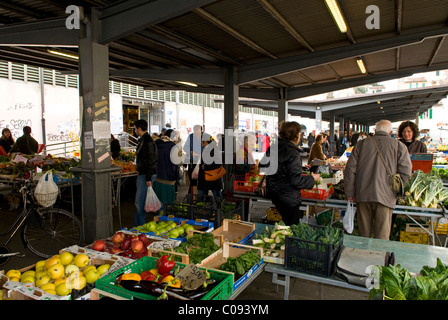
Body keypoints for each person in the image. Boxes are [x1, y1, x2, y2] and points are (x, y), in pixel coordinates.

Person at [344, 120, 412, 240]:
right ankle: (379, 257)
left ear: (375, 131)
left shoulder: (361, 144)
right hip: (386, 196)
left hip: (363, 194)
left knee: (363, 235)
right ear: (391, 132)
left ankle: (363, 255)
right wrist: (399, 193)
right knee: (382, 235)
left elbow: (350, 169)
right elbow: (406, 172)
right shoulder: (399, 146)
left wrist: (350, 192)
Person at [262, 121, 320, 225]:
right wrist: (312, 179)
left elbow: (262, 166)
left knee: (283, 226)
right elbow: (296, 181)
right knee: (291, 228)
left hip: (275, 194)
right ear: (296, 136)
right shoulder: (293, 153)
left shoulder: (273, 148)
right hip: (289, 197)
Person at [134, 119, 158, 226]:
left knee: (140, 202)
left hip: (146, 175)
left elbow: (151, 160)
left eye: (135, 128)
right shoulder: (143, 140)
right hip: (144, 174)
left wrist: (148, 178)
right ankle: (139, 225)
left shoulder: (147, 141)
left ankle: (140, 226)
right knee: (141, 202)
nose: (134, 131)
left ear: (139, 128)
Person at [152, 129, 179, 211]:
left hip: (156, 177)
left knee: (158, 202)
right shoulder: (173, 147)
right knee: (168, 205)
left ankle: (158, 218)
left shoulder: (155, 145)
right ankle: (165, 219)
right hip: (169, 179)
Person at [197, 133, 223, 200]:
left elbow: (218, 164)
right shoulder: (205, 150)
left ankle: (219, 210)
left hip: (213, 178)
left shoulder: (214, 150)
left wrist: (206, 167)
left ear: (205, 141)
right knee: (202, 198)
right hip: (205, 179)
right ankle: (203, 209)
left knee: (218, 199)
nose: (200, 142)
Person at [183, 125, 203, 194]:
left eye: (198, 132)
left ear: (201, 131)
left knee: (202, 179)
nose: (196, 134)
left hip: (202, 162)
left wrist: (203, 154)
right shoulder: (191, 137)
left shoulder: (206, 137)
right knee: (192, 179)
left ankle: (201, 195)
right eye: (195, 132)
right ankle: (192, 195)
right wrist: (190, 151)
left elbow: (211, 148)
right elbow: (185, 147)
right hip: (192, 162)